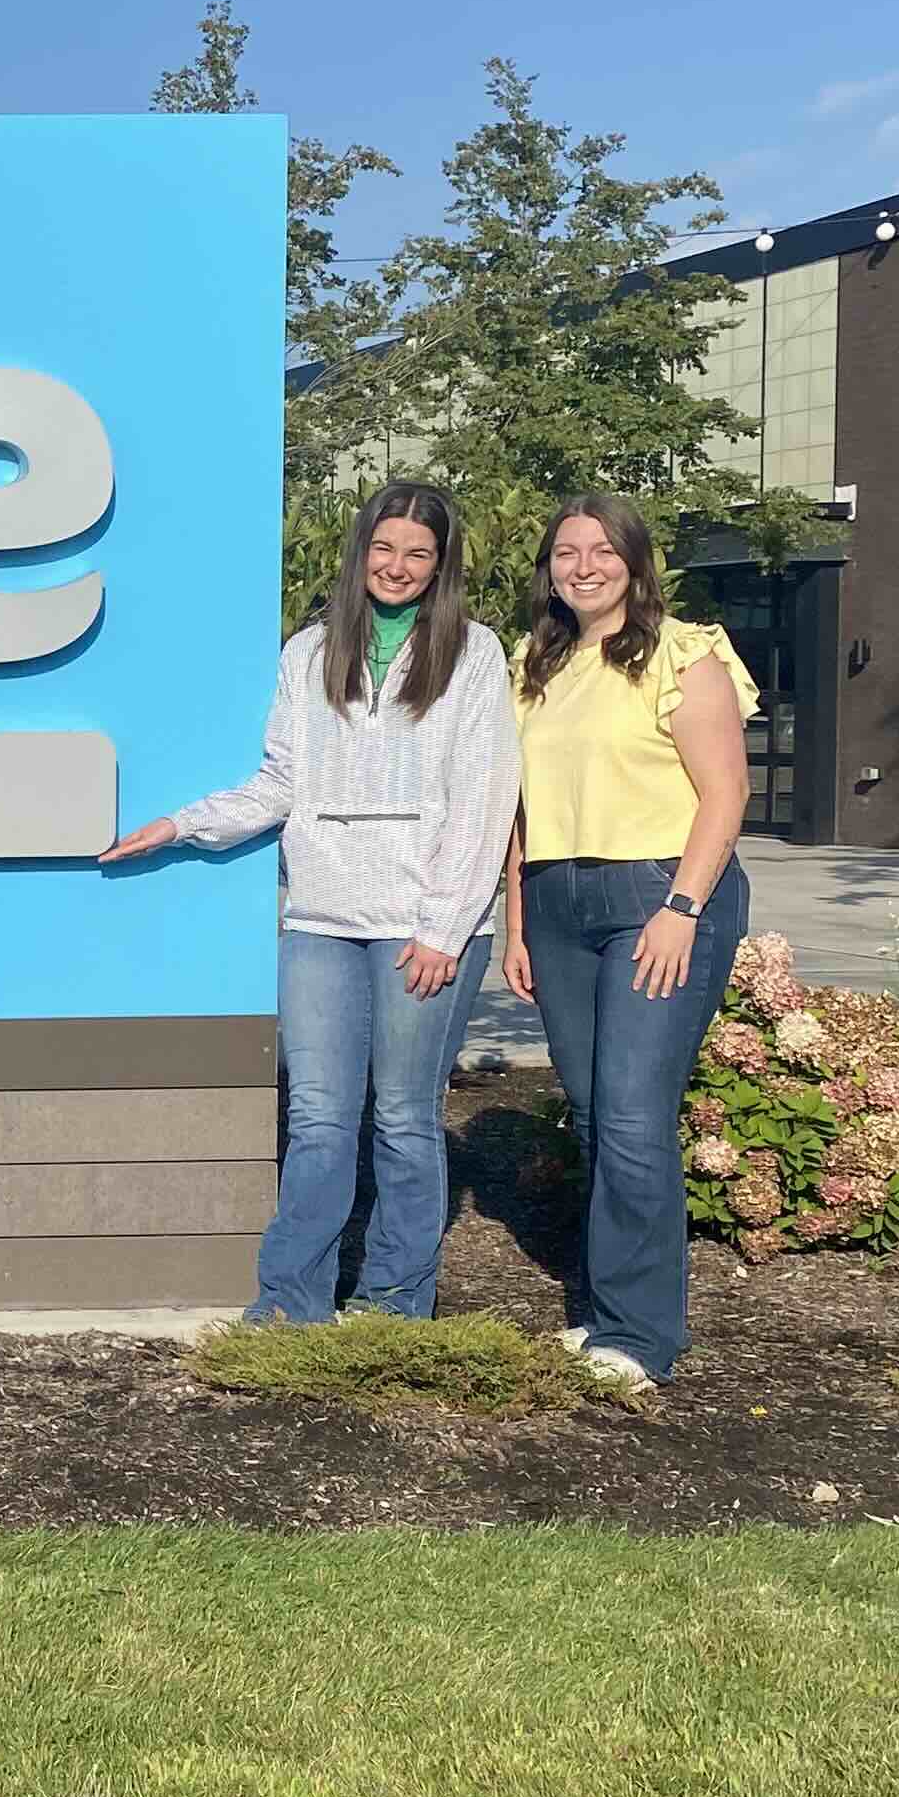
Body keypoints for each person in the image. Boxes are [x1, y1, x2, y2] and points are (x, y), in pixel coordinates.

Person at [102, 481, 520, 1324]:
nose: (397, 567)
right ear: (361, 550)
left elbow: (485, 797)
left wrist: (443, 928)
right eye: (385, 548)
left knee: (404, 1117)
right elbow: (281, 781)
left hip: (424, 927)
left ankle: (396, 1303)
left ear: (440, 567)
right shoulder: (311, 652)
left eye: (418, 554)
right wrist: (183, 825)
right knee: (320, 1118)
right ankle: (291, 1304)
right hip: (322, 918)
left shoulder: (473, 654)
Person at [496, 491, 757, 1388]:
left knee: (636, 1116)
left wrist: (681, 910)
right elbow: (519, 808)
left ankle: (643, 1337)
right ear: (549, 570)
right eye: (566, 552)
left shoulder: (687, 654)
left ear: (635, 563)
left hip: (658, 896)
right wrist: (516, 921)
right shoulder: (533, 664)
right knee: (599, 1116)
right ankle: (609, 1314)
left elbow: (724, 795)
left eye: (602, 550)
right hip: (556, 902)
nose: (583, 565)